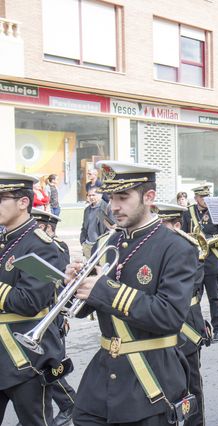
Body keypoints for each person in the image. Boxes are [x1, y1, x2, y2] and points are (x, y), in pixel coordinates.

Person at [65, 160, 197, 425]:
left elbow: (169, 316)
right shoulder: (107, 242)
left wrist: (104, 288)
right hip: (102, 376)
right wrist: (73, 286)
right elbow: (84, 310)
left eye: (123, 197)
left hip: (150, 376)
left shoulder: (176, 247)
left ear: (149, 197)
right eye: (112, 197)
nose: (114, 206)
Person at [0, 171, 65, 425]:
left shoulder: (42, 246)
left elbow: (30, 301)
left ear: (23, 202)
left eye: (1, 198)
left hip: (25, 361)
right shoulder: (7, 241)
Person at [156, 202, 208, 426]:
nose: (158, 227)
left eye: (164, 223)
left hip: (187, 320)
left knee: (190, 383)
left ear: (177, 224)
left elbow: (187, 286)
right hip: (162, 322)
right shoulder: (156, 247)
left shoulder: (189, 248)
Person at [30, 208, 77, 426]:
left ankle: (69, 404)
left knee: (48, 367)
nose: (35, 230)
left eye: (39, 226)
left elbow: (59, 284)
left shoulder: (57, 248)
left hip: (51, 314)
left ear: (50, 228)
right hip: (33, 316)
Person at [182, 184, 218, 343]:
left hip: (213, 261)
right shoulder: (188, 213)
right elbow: (182, 233)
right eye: (202, 197)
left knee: (216, 297)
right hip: (196, 262)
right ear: (196, 198)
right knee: (194, 298)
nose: (206, 200)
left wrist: (208, 240)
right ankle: (198, 328)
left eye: (207, 197)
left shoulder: (216, 211)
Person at [79, 186, 113, 258]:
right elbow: (84, 227)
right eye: (89, 195)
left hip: (100, 246)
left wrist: (103, 242)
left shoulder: (106, 208)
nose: (91, 197)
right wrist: (82, 241)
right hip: (88, 245)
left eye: (93, 195)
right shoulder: (87, 210)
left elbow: (110, 228)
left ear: (100, 195)